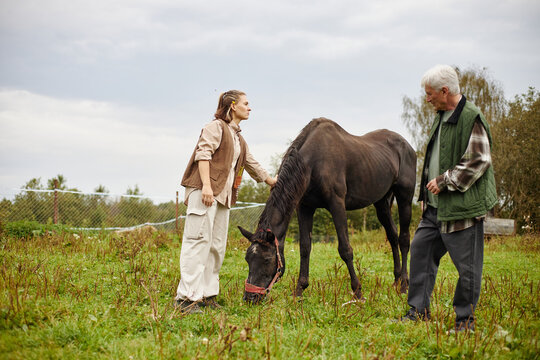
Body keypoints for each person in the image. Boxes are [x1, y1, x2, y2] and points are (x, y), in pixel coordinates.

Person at [398, 65, 497, 332]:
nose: (427, 99)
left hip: (462, 209)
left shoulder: (470, 116)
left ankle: (465, 322)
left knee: (468, 270)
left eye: (430, 94)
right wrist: (424, 195)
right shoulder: (441, 115)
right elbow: (434, 157)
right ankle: (418, 311)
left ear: (445, 91)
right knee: (420, 251)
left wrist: (444, 181)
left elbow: (479, 160)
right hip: (434, 209)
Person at [175, 90, 277, 314]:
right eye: (246, 103)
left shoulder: (238, 138)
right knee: (197, 242)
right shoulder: (215, 127)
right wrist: (207, 187)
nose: (250, 108)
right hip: (205, 192)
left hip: (223, 197)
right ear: (233, 106)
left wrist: (271, 181)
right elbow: (203, 155)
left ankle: (208, 295)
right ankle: (186, 299)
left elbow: (251, 163)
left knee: (216, 246)